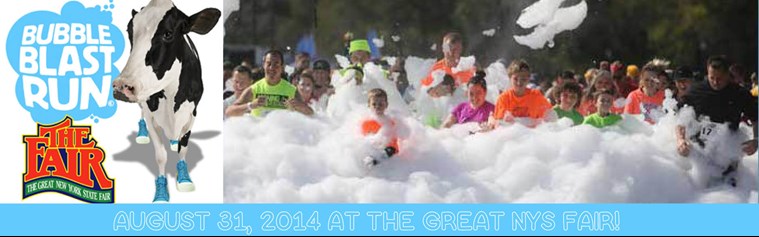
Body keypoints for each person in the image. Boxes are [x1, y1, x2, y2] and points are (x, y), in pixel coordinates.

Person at [675, 55, 757, 187]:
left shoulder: (740, 94)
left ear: (728, 75)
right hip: (698, 154)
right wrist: (680, 139)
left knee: (728, 196)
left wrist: (756, 140)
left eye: (720, 78)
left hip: (726, 158)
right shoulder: (696, 91)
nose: (715, 82)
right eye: (711, 77)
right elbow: (680, 118)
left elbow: (756, 119)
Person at [227, 50, 296, 117]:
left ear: (282, 66)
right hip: (259, 128)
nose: (272, 68)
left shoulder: (292, 90)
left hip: (281, 128)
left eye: (276, 64)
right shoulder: (254, 89)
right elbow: (229, 111)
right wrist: (251, 105)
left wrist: (296, 109)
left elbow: (306, 112)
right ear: (263, 65)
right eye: (268, 64)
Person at [486, 59, 552, 129]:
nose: (519, 83)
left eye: (523, 79)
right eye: (515, 79)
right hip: (512, 136)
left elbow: (551, 119)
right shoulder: (504, 98)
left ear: (528, 79)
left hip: (533, 135)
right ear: (510, 78)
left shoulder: (536, 96)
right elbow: (499, 126)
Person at [361, 88, 407, 168]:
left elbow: (394, 146)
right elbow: (363, 141)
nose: (377, 107)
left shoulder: (390, 122)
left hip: (389, 155)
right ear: (369, 105)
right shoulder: (365, 123)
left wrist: (383, 154)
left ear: (386, 105)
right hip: (372, 151)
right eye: (374, 104)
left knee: (388, 152)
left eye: (380, 104)